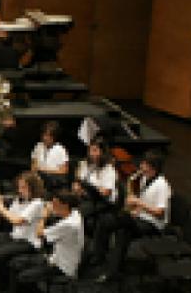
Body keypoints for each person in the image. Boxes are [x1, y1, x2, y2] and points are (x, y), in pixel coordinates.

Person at [10, 191, 84, 293]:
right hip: (55, 258)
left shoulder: (69, 224)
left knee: (24, 278)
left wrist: (43, 216)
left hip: (62, 267)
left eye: (55, 204)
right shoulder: (75, 214)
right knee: (16, 263)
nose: (52, 207)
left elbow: (39, 233)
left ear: (65, 205)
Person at [101, 151, 171, 283]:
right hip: (141, 218)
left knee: (121, 222)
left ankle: (109, 226)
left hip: (153, 225)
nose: (141, 166)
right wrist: (136, 209)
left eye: (144, 164)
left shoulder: (162, 185)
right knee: (123, 232)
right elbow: (146, 202)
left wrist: (138, 203)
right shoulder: (144, 179)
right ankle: (114, 271)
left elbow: (159, 212)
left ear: (152, 167)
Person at [0, 171, 46, 293]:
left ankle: (7, 288)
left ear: (33, 188)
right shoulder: (19, 200)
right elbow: (9, 215)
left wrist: (0, 206)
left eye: (24, 187)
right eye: (19, 187)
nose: (20, 190)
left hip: (29, 242)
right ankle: (5, 284)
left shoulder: (37, 203)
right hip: (15, 237)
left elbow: (16, 221)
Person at [73, 139, 118, 271]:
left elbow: (106, 192)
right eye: (90, 150)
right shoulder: (88, 165)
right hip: (88, 199)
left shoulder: (108, 169)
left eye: (95, 150)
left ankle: (85, 250)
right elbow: (80, 181)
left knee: (77, 214)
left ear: (103, 152)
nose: (91, 153)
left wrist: (89, 189)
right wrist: (77, 187)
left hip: (104, 203)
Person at [31, 120, 69, 190]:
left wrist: (44, 171)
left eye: (48, 135)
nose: (45, 138)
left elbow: (64, 170)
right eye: (44, 135)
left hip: (53, 183)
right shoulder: (38, 146)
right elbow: (34, 165)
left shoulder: (60, 149)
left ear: (54, 137)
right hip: (39, 182)